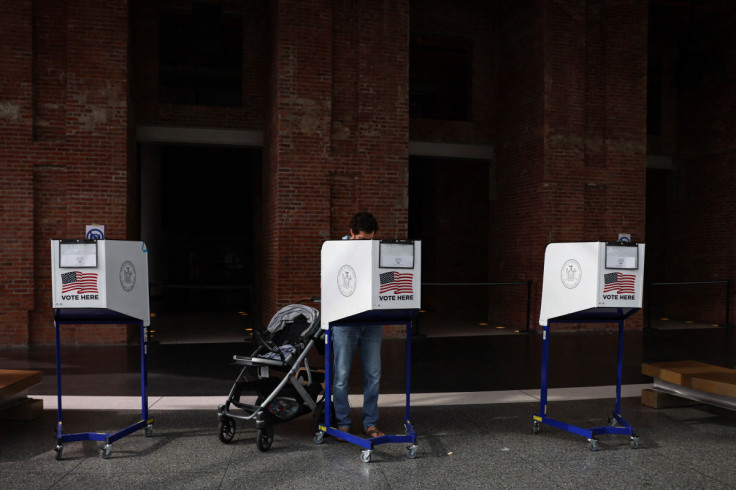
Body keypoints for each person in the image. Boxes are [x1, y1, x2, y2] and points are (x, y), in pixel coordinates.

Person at [332, 212, 385, 439]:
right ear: (351, 233)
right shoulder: (336, 251)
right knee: (341, 375)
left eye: (371, 240)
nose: (367, 245)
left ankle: (370, 423)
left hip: (372, 320)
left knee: (373, 375)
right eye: (363, 240)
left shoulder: (375, 250)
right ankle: (343, 422)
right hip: (345, 321)